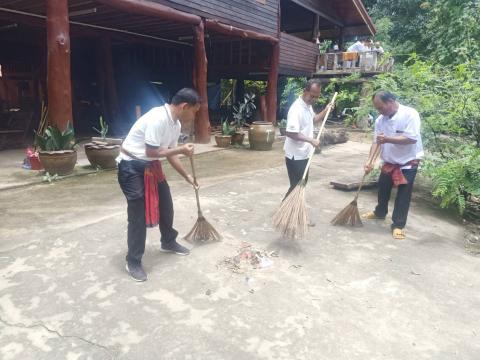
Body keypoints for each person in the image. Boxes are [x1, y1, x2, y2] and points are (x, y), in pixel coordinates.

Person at [117, 88, 200, 281]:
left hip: (150, 166)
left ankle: (168, 241)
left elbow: (170, 154)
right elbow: (152, 151)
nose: (194, 115)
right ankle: (133, 261)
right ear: (184, 106)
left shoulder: (175, 124)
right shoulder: (158, 118)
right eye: (194, 111)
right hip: (131, 167)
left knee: (166, 203)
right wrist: (181, 148)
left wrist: (187, 176)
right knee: (137, 213)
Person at [363, 91, 424, 240]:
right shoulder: (380, 120)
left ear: (390, 101)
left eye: (381, 107)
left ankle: (398, 225)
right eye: (377, 108)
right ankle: (379, 212)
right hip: (389, 161)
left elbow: (411, 138)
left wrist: (388, 139)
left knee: (403, 194)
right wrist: (370, 161)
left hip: (407, 162)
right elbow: (376, 142)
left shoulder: (410, 114)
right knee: (383, 188)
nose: (379, 111)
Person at [283, 79, 332, 201]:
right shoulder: (296, 109)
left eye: (316, 97)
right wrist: (311, 140)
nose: (314, 99)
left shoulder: (307, 106)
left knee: (302, 184)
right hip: (295, 155)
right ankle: (284, 210)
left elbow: (313, 119)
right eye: (312, 96)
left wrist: (326, 110)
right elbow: (290, 132)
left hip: (304, 154)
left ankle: (291, 212)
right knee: (297, 186)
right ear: (305, 91)